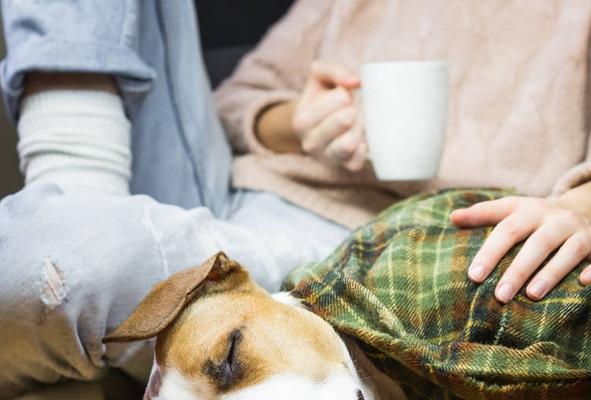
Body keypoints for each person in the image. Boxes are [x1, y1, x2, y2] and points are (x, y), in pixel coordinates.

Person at [215, 0, 591, 303]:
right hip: (280, 205)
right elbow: (234, 99)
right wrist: (302, 122)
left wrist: (588, 211)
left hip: (449, 252)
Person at [0, 2, 349, 399]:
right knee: (57, 260)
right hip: (232, 180)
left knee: (63, 262)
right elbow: (235, 100)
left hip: (331, 226)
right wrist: (297, 120)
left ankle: (70, 233)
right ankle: (76, 195)